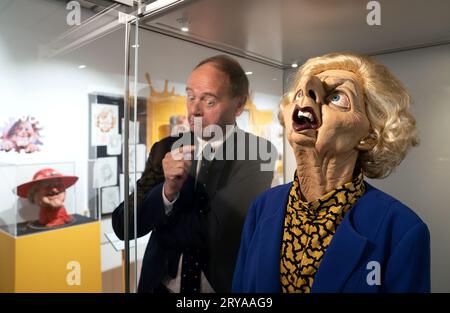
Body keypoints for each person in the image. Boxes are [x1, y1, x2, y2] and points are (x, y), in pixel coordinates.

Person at [232, 52, 430, 293]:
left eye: (337, 97)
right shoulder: (262, 208)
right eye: (300, 94)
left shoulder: (401, 230)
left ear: (369, 136)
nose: (307, 95)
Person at [112, 55, 277, 293]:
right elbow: (124, 225)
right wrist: (167, 192)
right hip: (159, 285)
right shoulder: (165, 148)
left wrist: (162, 219)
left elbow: (215, 233)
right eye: (190, 97)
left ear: (238, 105)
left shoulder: (258, 153)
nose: (194, 111)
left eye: (209, 101)